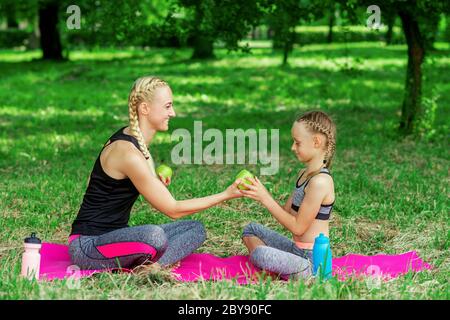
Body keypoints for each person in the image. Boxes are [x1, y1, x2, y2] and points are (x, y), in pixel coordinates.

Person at [68, 76, 243, 271]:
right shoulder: (128, 153)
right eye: (168, 106)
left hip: (117, 237)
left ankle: (152, 267)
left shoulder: (137, 143)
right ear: (144, 109)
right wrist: (226, 195)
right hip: (88, 247)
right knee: (154, 237)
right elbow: (173, 209)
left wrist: (154, 179)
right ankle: (150, 264)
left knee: (194, 229)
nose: (173, 113)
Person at [240, 110, 336, 279]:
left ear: (316, 142)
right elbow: (286, 214)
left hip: (312, 262)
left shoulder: (320, 182)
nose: (292, 147)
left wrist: (265, 198)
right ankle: (277, 267)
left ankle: (276, 267)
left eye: (297, 142)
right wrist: (260, 193)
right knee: (250, 229)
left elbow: (298, 227)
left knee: (261, 254)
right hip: (295, 248)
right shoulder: (303, 174)